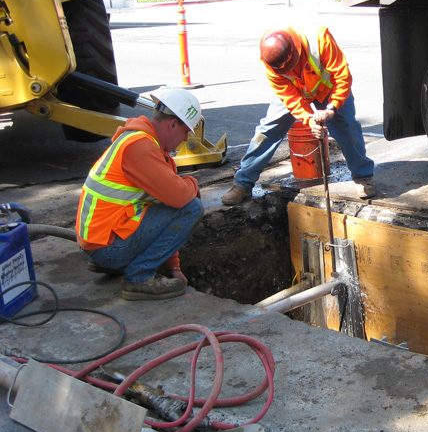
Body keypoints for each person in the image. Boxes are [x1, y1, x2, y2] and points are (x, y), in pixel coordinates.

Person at [221, 25, 375, 205]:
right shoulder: (270, 61)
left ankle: (363, 176)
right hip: (297, 92)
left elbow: (342, 76)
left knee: (346, 126)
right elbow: (290, 98)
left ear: (296, 51)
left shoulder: (320, 40)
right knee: (267, 130)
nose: (288, 71)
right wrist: (309, 119)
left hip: (330, 90)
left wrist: (331, 109)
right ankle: (243, 183)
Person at [75, 88, 205, 301]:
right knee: (193, 207)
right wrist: (192, 182)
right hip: (106, 248)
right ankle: (138, 278)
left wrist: (174, 267)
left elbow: (168, 210)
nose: (185, 139)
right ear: (173, 124)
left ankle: (121, 262)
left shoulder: (144, 144)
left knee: (182, 203)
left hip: (102, 240)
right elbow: (181, 200)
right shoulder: (140, 148)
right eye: (185, 132)